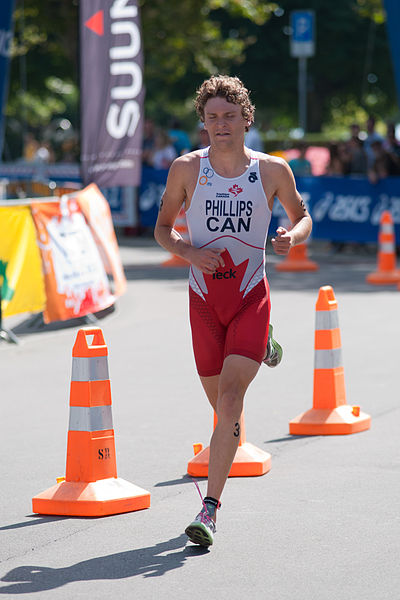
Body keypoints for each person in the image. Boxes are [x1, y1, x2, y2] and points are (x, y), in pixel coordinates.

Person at [154, 75, 312, 547]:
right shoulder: (186, 169)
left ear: (247, 117)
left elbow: (302, 217)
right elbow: (163, 229)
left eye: (229, 115)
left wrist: (291, 238)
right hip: (204, 302)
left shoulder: (271, 170)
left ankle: (210, 509)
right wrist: (187, 251)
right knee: (223, 415)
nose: (221, 124)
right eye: (212, 117)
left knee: (229, 403)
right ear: (203, 123)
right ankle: (262, 345)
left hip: (249, 297)